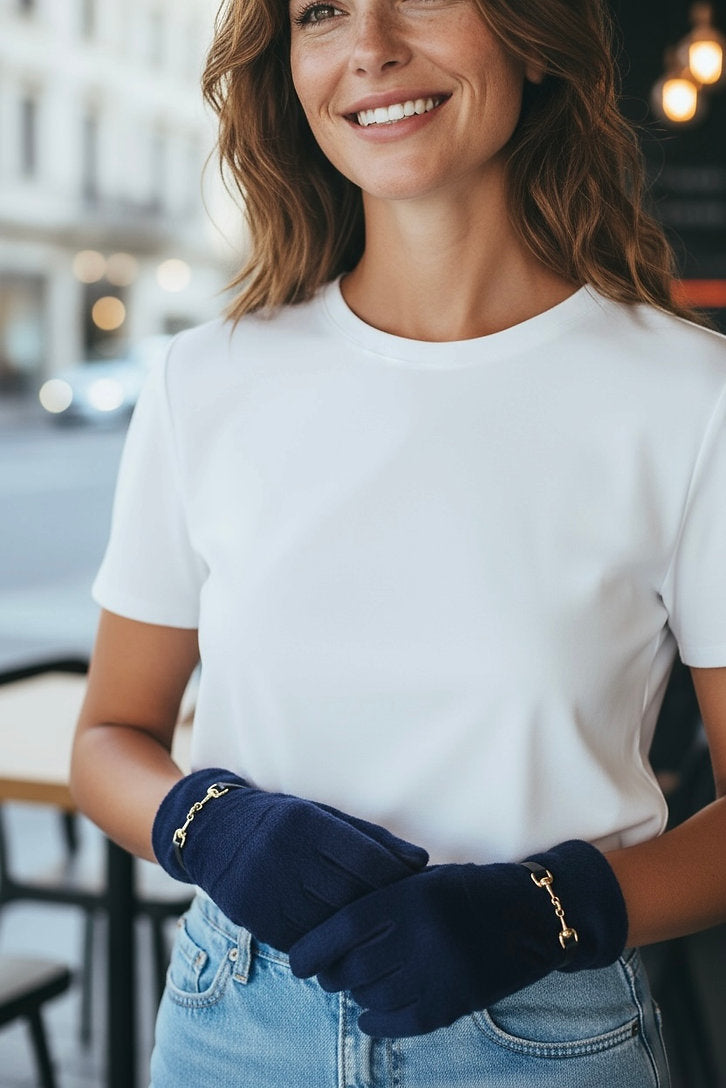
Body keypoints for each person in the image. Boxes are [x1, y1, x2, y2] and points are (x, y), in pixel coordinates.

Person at [70, 0, 726, 1083]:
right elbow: (109, 736)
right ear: (290, 67)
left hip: (544, 1034)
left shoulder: (688, 398)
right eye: (321, 12)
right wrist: (210, 824)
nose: (369, 44)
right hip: (234, 1022)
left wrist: (548, 912)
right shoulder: (206, 383)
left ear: (528, 33)